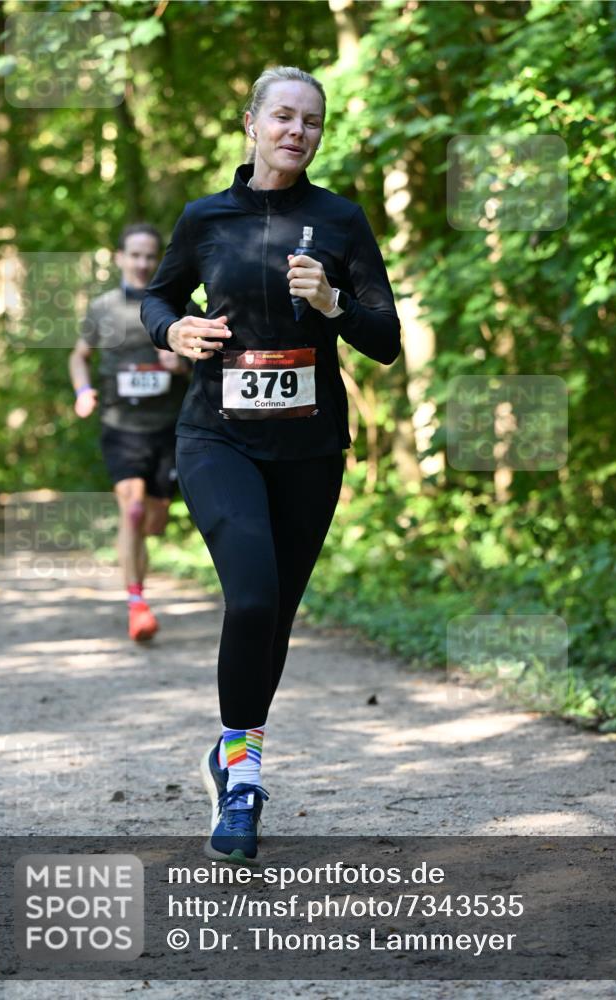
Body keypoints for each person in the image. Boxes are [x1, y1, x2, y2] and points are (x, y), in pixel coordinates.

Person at [141, 66, 401, 862]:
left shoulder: (340, 220)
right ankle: (244, 772)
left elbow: (384, 340)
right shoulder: (204, 217)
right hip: (215, 437)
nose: (297, 131)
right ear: (251, 121)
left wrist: (333, 306)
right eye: (283, 117)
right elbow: (158, 297)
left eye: (311, 122)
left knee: (276, 614)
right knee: (250, 598)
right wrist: (172, 333)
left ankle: (234, 759)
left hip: (310, 447)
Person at [69, 223, 192, 642]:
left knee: (154, 520)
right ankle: (137, 603)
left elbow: (209, 358)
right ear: (120, 257)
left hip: (169, 428)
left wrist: (183, 363)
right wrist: (84, 391)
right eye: (134, 255)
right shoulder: (103, 308)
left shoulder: (177, 303)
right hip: (120, 426)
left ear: (158, 261)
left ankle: (139, 588)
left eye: (149, 256)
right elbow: (79, 357)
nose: (142, 263)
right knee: (133, 508)